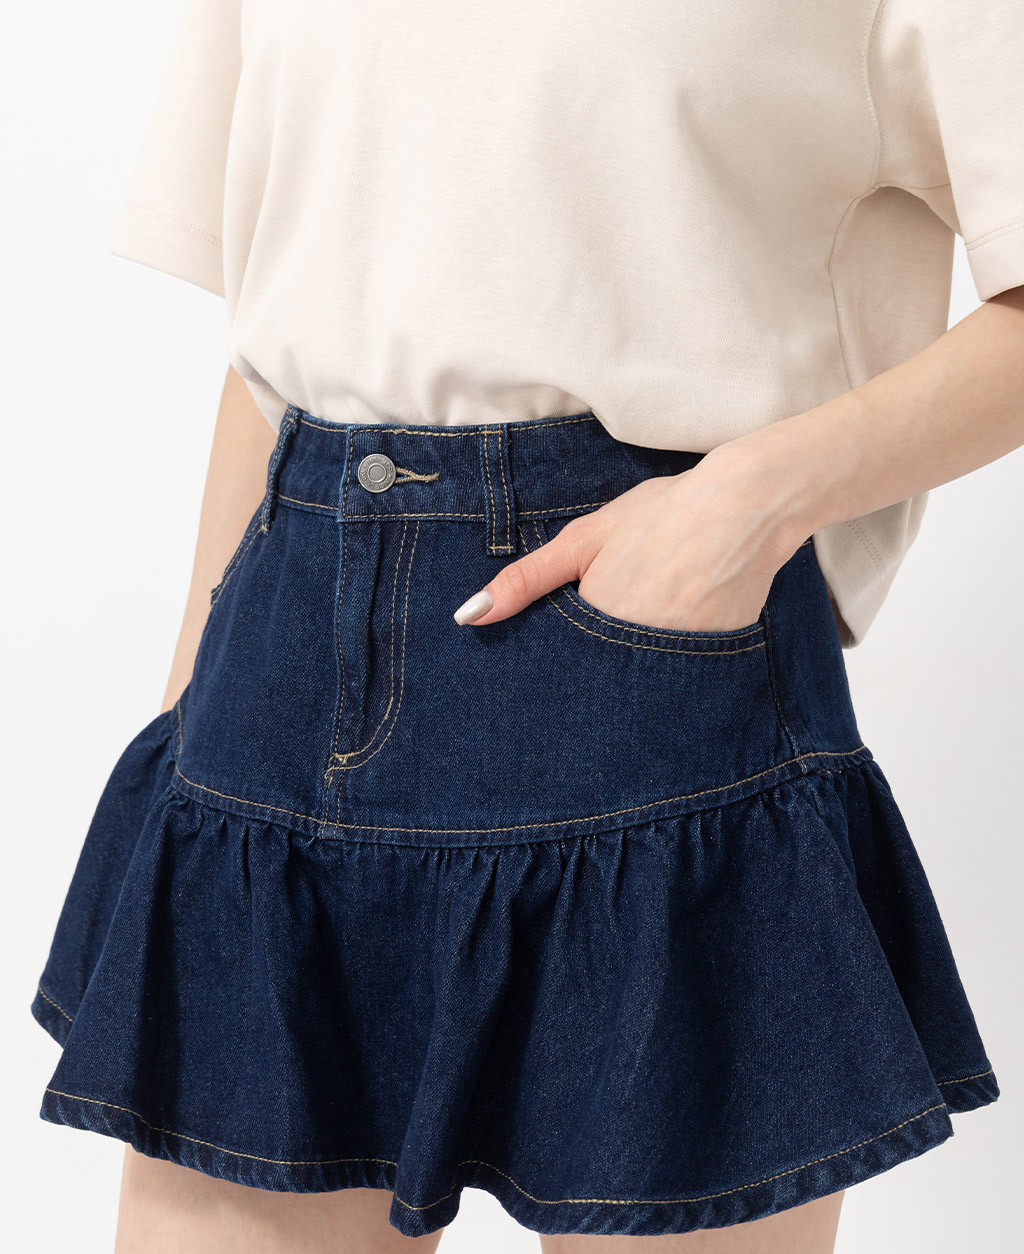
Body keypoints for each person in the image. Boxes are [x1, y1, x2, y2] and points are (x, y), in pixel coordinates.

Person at [30, 2, 1021, 1251]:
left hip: (649, 672)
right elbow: (287, 293)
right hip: (281, 661)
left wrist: (749, 500)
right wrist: (191, 694)